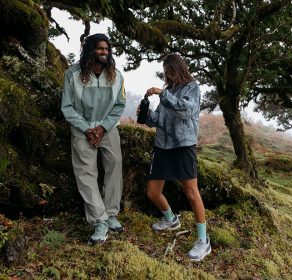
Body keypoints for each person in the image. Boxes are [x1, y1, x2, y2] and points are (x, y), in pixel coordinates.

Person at [138, 54, 211, 262]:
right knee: (152, 192)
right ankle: (171, 219)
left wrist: (162, 94)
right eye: (165, 71)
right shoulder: (168, 92)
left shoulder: (192, 88)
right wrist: (146, 114)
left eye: (170, 70)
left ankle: (203, 240)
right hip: (162, 147)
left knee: (191, 191)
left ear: (178, 68)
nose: (167, 74)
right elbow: (156, 121)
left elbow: (185, 111)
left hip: (183, 146)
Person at [61, 33, 126, 245]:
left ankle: (111, 213)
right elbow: (67, 107)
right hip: (82, 130)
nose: (104, 53)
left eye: (107, 49)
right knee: (86, 173)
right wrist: (87, 129)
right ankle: (100, 220)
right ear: (89, 50)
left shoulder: (116, 76)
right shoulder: (72, 75)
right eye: (100, 48)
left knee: (114, 166)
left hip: (107, 129)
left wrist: (102, 128)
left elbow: (119, 106)